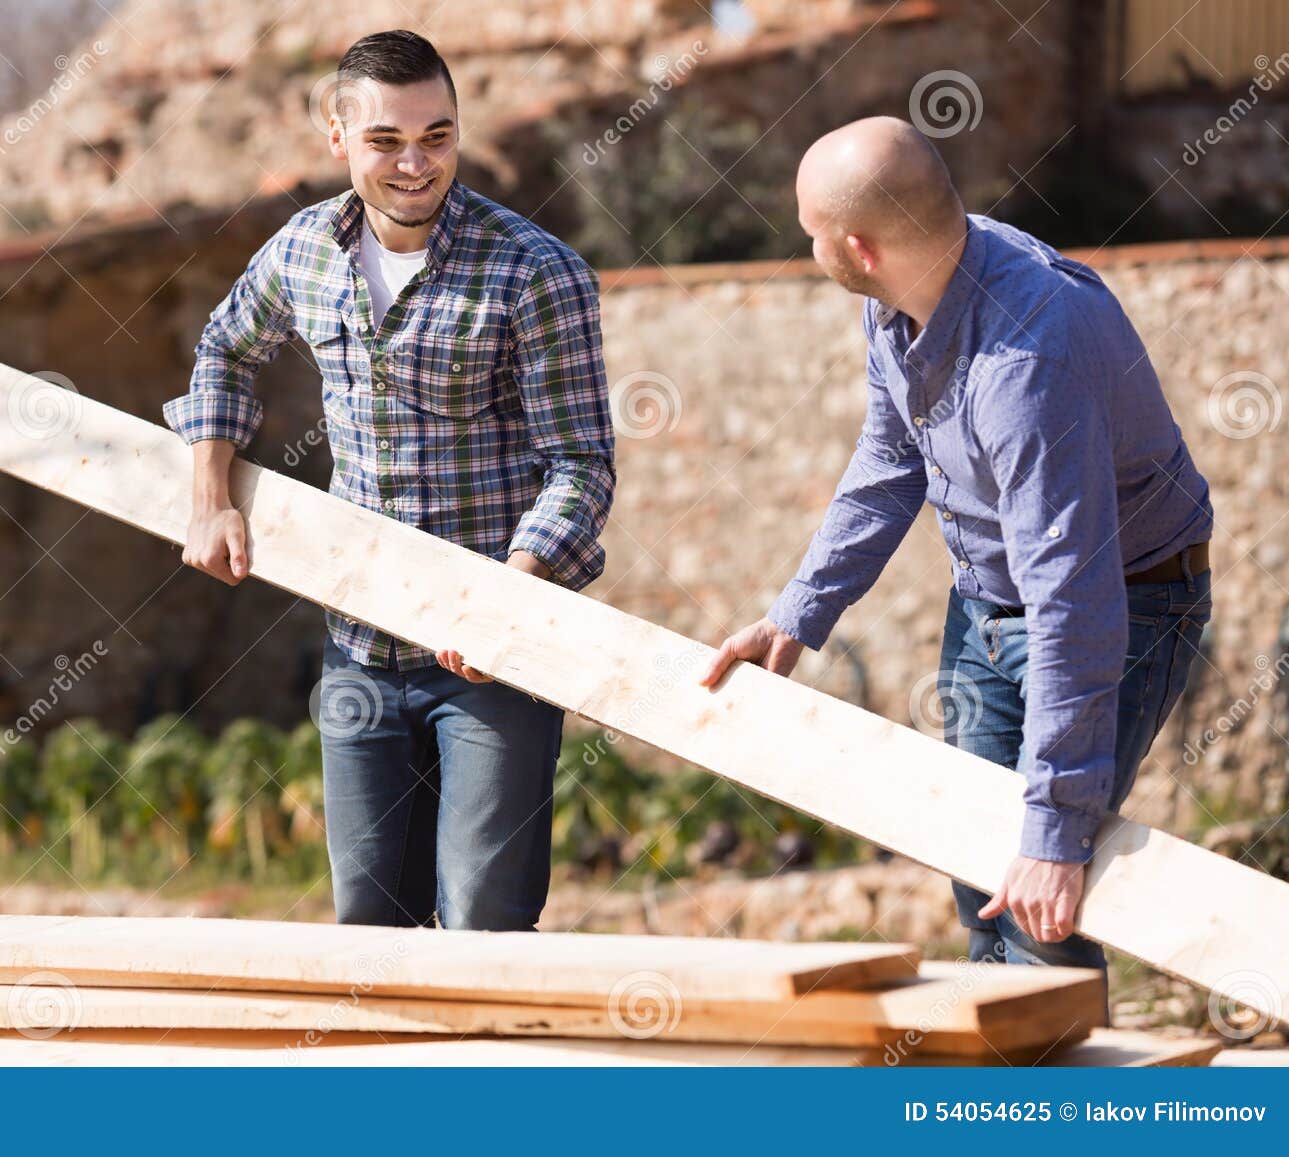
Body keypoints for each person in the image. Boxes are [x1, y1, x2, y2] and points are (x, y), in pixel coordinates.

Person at [701, 117, 1212, 997]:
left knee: (1038, 886)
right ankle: (1001, 1084)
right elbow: (892, 457)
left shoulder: (1029, 359)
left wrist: (1055, 832)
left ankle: (1063, 1107)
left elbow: (1074, 601)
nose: (803, 239)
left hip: (1124, 604)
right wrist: (799, 612)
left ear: (856, 247)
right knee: (978, 867)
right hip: (989, 599)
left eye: (809, 227)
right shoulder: (903, 289)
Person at [164, 30, 615, 932]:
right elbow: (221, 348)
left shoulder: (534, 271)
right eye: (385, 141)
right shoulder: (303, 252)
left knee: (484, 926)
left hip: (493, 665)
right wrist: (211, 495)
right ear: (338, 137)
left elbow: (581, 464)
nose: (415, 164)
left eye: (437, 137)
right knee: (369, 932)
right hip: (359, 651)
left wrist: (507, 596)